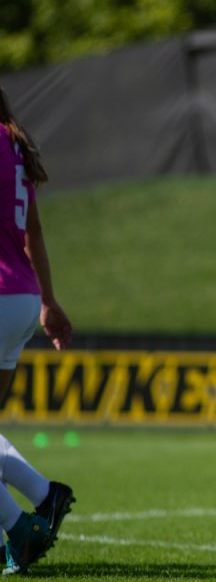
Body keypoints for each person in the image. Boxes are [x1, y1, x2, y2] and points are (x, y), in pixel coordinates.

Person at [0, 87, 75, 575]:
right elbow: (35, 234)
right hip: (21, 297)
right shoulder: (14, 145)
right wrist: (47, 302)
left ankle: (20, 527)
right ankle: (46, 496)